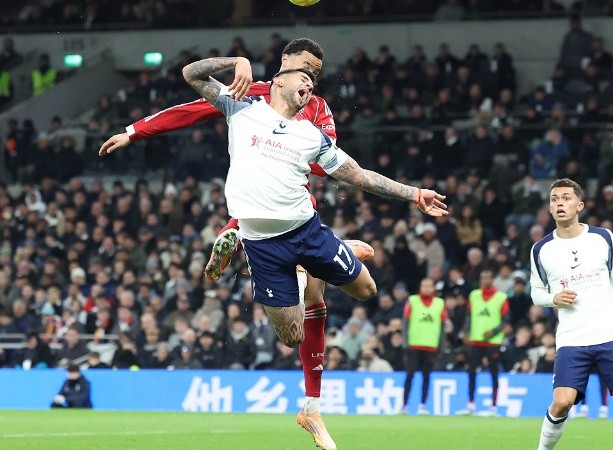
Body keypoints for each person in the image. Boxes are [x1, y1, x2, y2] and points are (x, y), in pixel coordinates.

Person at [98, 38, 373, 450]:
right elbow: (191, 108)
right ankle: (273, 248)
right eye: (305, 65)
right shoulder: (254, 94)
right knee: (308, 303)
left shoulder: (316, 109)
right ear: (285, 61)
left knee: (325, 283)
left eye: (317, 70)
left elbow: (324, 163)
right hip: (266, 215)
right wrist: (134, 131)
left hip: (296, 213)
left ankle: (311, 402)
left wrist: (289, 138)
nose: (311, 75)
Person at [180, 55, 447, 448]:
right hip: (263, 247)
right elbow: (190, 74)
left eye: (313, 82)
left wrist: (414, 194)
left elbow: (359, 176)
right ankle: (307, 268)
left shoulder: (311, 137)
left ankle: (329, 254)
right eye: (302, 78)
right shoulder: (240, 108)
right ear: (278, 81)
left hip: (306, 233)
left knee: (367, 291)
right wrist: (236, 60)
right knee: (291, 336)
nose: (309, 85)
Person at [530, 178, 613, 450]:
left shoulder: (602, 237)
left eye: (566, 198)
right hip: (571, 338)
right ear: (550, 208)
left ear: (579, 204)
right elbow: (536, 293)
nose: (560, 203)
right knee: (561, 403)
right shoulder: (541, 249)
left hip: (608, 333)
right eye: (554, 199)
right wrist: (553, 298)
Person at [457, 269, 509, 416]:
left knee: (494, 372)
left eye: (488, 277)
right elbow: (469, 316)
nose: (485, 280)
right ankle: (471, 404)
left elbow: (506, 320)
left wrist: (493, 331)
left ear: (492, 279)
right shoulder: (474, 296)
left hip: (492, 341)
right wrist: (466, 331)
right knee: (471, 371)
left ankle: (493, 407)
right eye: (483, 277)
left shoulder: (501, 297)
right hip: (476, 340)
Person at [401, 278, 447, 415]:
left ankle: (422, 405)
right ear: (420, 287)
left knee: (426, 376)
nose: (427, 288)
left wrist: (441, 346)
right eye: (424, 285)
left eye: (429, 286)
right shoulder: (412, 301)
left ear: (433, 288)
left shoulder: (440, 303)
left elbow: (442, 327)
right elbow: (405, 323)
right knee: (410, 375)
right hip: (414, 345)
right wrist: (405, 342)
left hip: (431, 346)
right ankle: (404, 405)